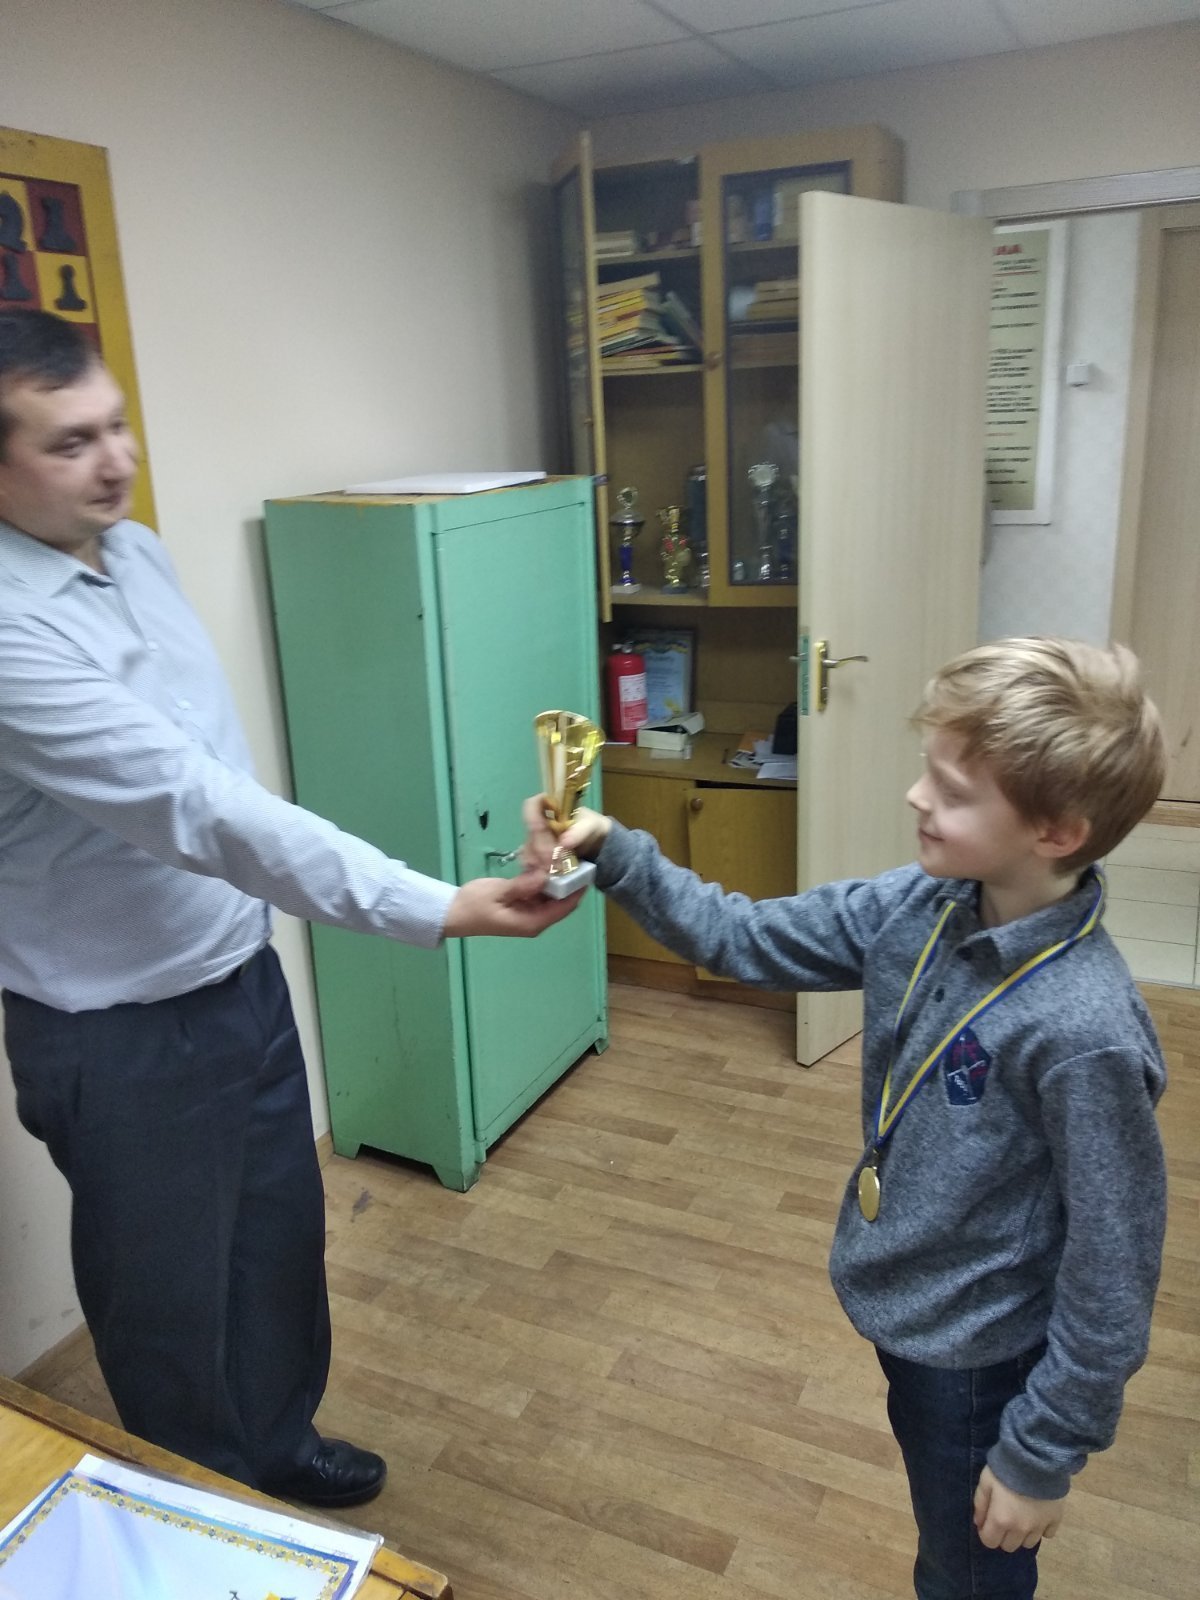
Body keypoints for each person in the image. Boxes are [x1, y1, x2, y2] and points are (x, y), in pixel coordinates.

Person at [0, 308, 581, 1508]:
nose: (114, 460)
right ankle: (210, 1519)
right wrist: (439, 903)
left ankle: (277, 1443)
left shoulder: (136, 551)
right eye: (69, 442)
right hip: (118, 1032)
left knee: (274, 1245)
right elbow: (196, 805)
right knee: (167, 1301)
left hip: (237, 973)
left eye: (116, 425)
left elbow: (217, 765)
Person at [526, 637, 1168, 1600]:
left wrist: (1042, 1452)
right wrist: (614, 849)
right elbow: (742, 936)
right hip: (911, 1307)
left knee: (967, 1573)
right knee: (946, 1528)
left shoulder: (1085, 1030)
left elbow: (1115, 1264)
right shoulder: (923, 904)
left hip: (980, 1354)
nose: (916, 797)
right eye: (928, 772)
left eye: (952, 791)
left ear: (1057, 831)